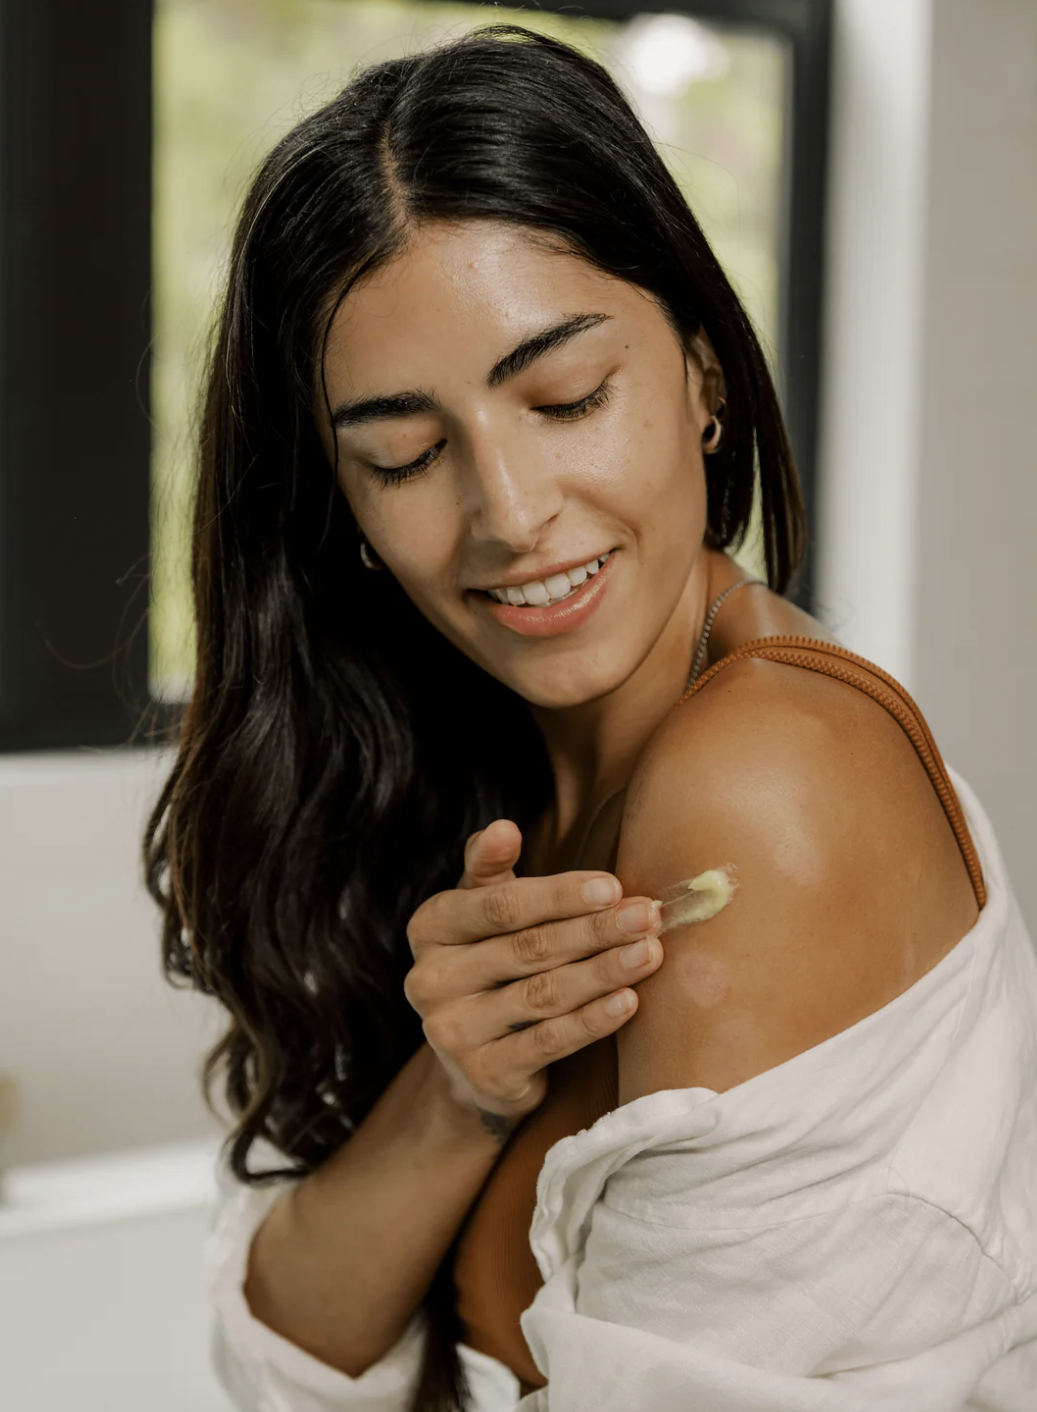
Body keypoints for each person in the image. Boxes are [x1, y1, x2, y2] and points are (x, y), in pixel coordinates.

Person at [143, 25, 1037, 1412]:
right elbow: (281, 1352)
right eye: (406, 455)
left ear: (703, 371)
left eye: (566, 397)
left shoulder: (760, 784)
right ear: (345, 509)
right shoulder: (486, 781)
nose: (508, 515)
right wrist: (461, 1088)